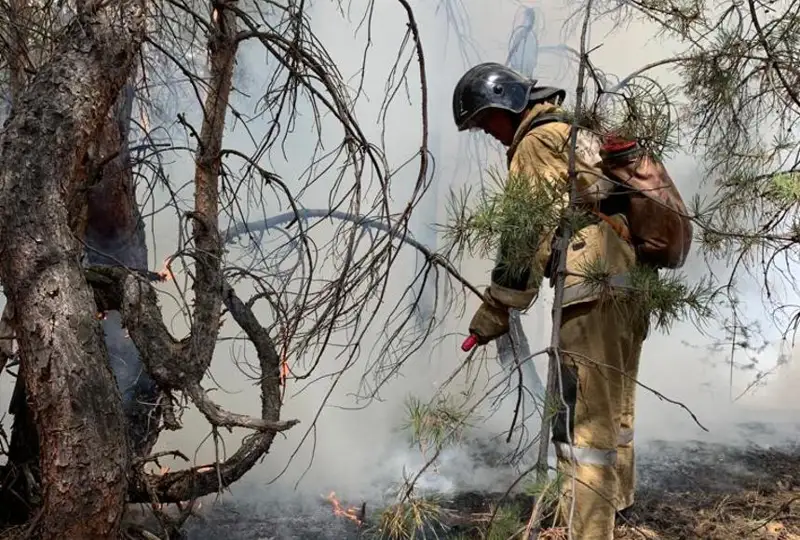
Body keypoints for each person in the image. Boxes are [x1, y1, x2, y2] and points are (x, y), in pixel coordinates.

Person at [452, 62, 649, 539]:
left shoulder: (536, 140)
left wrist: (495, 310)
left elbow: (524, 234)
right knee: (614, 412)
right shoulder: (573, 130)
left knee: (583, 423)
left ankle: (587, 531)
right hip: (628, 288)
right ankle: (613, 510)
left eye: (486, 122)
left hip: (589, 293)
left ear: (506, 104)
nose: (490, 135)